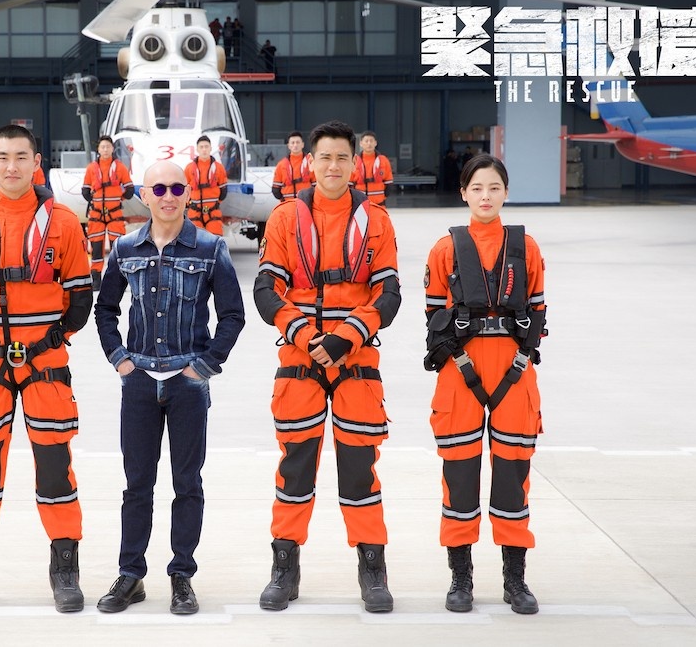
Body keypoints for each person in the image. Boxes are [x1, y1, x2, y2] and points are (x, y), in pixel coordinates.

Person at [0, 124, 93, 614]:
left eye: (21, 157)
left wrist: (47, 341)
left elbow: (80, 300)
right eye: (3, 157)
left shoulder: (64, 223)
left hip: (45, 362)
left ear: (36, 162)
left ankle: (64, 569)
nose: (12, 166)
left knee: (55, 467)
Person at [253, 120, 402, 613]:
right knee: (294, 468)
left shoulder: (376, 220)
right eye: (325, 157)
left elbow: (389, 294)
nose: (333, 166)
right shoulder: (284, 219)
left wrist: (347, 337)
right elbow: (266, 291)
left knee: (360, 470)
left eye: (342, 157)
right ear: (309, 163)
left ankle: (373, 569)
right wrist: (306, 335)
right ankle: (284, 566)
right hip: (300, 359)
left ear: (354, 163)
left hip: (356, 359)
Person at [94, 160, 245, 616]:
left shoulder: (210, 248)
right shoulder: (124, 248)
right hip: (139, 382)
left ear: (188, 193)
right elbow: (105, 310)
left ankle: (182, 575)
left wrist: (204, 366)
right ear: (144, 194)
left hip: (187, 385)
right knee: (137, 484)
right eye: (158, 188)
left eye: (177, 188)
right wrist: (120, 360)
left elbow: (233, 315)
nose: (168, 196)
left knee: (187, 483)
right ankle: (131, 575)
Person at [422, 153, 548, 615]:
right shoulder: (444, 249)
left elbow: (537, 311)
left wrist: (522, 353)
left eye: (494, 187)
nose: (486, 196)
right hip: (460, 371)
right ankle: (461, 576)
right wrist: (455, 354)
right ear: (463, 193)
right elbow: (433, 317)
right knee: (458, 473)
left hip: (514, 369)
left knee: (513, 472)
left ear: (506, 193)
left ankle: (515, 578)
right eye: (477, 188)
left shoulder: (526, 247)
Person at [81, 135, 134, 291]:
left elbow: (130, 190)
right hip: (97, 215)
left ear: (112, 149)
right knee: (96, 250)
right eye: (102, 147)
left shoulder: (120, 167)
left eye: (108, 147)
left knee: (117, 248)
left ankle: (117, 281)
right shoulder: (91, 168)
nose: (105, 150)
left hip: (114, 214)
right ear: (98, 149)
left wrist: (118, 199)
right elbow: (85, 191)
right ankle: (96, 281)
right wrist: (95, 202)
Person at [184, 135, 228, 236]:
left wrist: (215, 204)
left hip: (213, 212)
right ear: (197, 149)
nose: (204, 149)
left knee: (215, 240)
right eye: (201, 147)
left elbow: (224, 191)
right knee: (194, 240)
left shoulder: (219, 168)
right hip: (194, 212)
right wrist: (189, 204)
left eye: (206, 147)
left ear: (211, 148)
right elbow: (184, 190)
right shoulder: (189, 168)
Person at [350, 130, 395, 208]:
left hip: (379, 203)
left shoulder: (383, 160)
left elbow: (389, 183)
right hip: (359, 203)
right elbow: (349, 184)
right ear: (361, 143)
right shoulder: (354, 161)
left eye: (371, 141)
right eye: (366, 141)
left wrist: (383, 197)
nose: (369, 143)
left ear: (375, 143)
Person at [271, 131, 315, 201]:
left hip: (307, 202)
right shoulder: (281, 165)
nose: (295, 145)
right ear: (288, 145)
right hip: (288, 203)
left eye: (298, 142)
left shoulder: (310, 162)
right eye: (292, 143)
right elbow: (276, 189)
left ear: (302, 145)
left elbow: (317, 185)